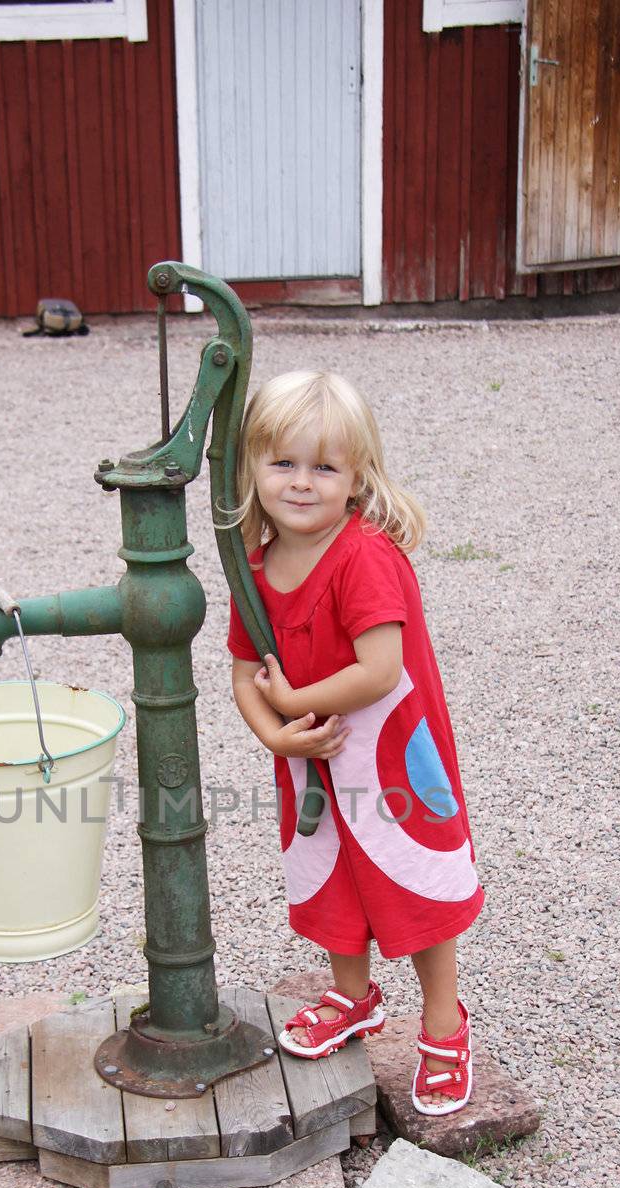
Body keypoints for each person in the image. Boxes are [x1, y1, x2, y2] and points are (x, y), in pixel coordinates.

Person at [226, 371, 484, 1117]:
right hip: (312, 759)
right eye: (282, 463)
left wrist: (293, 705)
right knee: (329, 876)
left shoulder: (362, 555)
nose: (301, 483)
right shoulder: (255, 568)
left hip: (393, 755)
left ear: (356, 476)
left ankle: (442, 1025)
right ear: (252, 468)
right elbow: (245, 674)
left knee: (414, 880)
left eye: (324, 467)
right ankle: (353, 997)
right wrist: (277, 733)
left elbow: (379, 671)